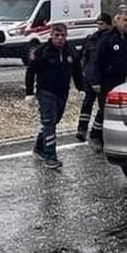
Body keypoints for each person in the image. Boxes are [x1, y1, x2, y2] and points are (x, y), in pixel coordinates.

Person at [25, 23, 83, 169]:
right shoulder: (41, 51)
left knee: (53, 121)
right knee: (49, 122)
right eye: (56, 35)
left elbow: (77, 71)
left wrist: (81, 88)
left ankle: (39, 148)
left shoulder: (71, 51)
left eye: (63, 35)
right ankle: (50, 156)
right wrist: (29, 93)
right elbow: (30, 72)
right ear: (51, 35)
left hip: (62, 92)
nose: (60, 38)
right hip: (45, 91)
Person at [87, 8, 127, 152]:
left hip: (120, 80)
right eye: (125, 20)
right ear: (116, 21)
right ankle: (95, 135)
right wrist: (95, 81)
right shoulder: (107, 38)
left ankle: (105, 135)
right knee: (105, 108)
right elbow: (97, 61)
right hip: (105, 80)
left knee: (114, 110)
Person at [75, 12, 113, 141]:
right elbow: (84, 56)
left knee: (103, 106)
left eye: (102, 24)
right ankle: (82, 130)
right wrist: (85, 70)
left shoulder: (112, 38)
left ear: (108, 24)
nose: (99, 27)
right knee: (87, 104)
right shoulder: (91, 38)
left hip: (104, 79)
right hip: (90, 77)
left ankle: (96, 131)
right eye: (98, 24)